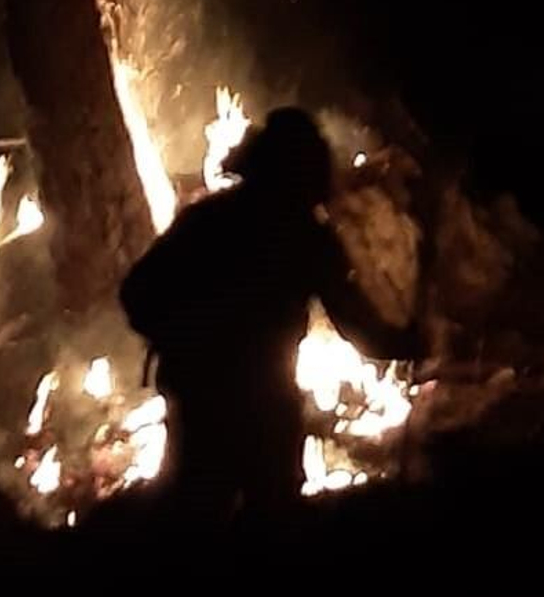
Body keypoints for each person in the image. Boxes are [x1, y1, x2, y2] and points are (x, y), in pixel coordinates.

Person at [120, 107, 420, 521]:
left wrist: (178, 341)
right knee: (270, 522)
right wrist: (404, 343)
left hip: (203, 399)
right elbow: (355, 324)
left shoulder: (205, 221)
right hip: (260, 404)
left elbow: (136, 293)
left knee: (196, 517)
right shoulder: (306, 236)